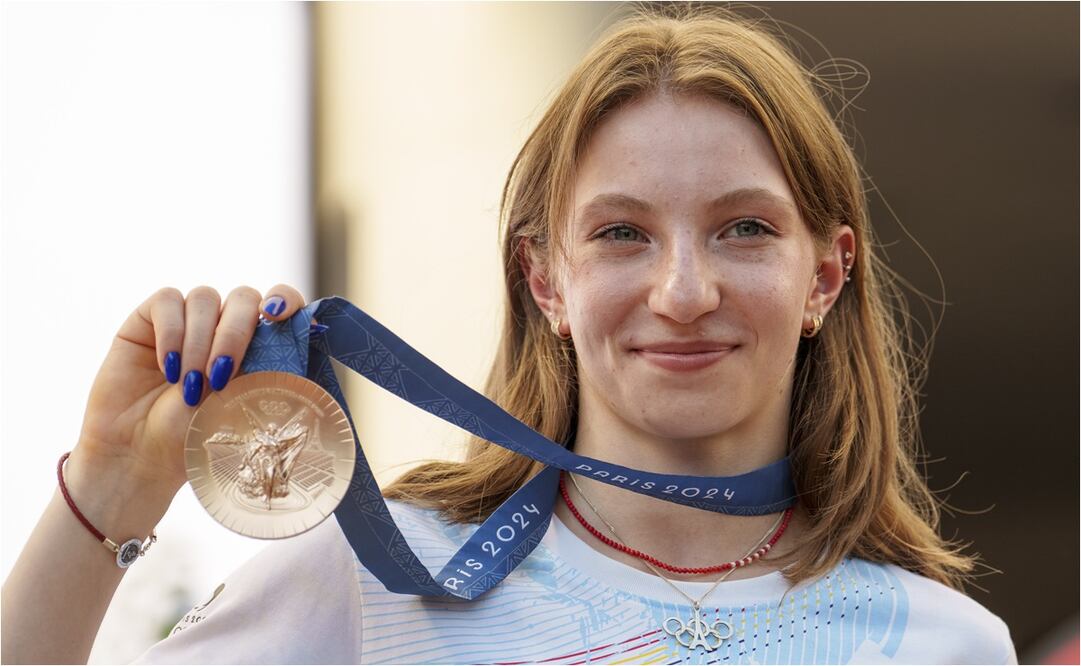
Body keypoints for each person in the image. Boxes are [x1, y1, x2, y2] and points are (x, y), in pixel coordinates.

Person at [2, 5, 1018, 664]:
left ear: (824, 277)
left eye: (743, 228)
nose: (682, 291)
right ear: (546, 281)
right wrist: (111, 487)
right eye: (620, 233)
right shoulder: (371, 587)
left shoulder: (947, 647)